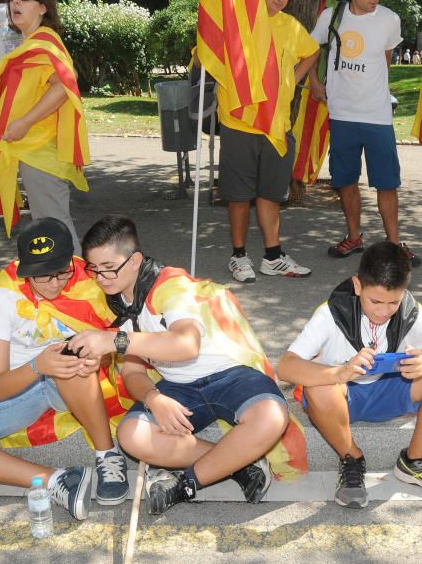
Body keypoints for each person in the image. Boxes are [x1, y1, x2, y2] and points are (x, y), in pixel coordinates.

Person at [70, 215, 293, 515]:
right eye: (93, 269)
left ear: (135, 260)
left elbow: (187, 345)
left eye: (109, 268)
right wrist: (154, 398)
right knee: (130, 436)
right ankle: (239, 463)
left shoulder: (170, 286)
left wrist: (115, 341)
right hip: (177, 386)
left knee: (272, 416)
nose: (100, 278)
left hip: (232, 374)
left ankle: (187, 484)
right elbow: (134, 371)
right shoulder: (116, 298)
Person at [0, 217, 129, 520]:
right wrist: (37, 365)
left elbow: (124, 329)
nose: (56, 283)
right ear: (24, 270)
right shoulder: (2, 294)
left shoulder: (88, 276)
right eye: (43, 276)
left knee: (69, 361)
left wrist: (102, 353)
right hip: (24, 383)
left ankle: (107, 455)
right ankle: (57, 480)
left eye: (62, 272)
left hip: (82, 378)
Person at [277, 241, 422, 506]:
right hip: (340, 402)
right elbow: (286, 366)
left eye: (393, 302)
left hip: (387, 392)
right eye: (375, 300)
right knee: (318, 386)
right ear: (357, 286)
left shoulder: (409, 310)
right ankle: (352, 459)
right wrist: (340, 371)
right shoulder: (331, 312)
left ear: (404, 292)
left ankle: (414, 461)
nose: (382, 311)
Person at [309, 0, 421, 266]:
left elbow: (385, 61)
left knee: (387, 183)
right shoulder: (331, 17)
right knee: (345, 179)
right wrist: (315, 82)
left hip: (377, 116)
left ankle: (395, 244)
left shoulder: (389, 20)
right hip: (342, 114)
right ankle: (354, 237)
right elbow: (309, 51)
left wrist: (377, 92)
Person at [217, 0, 319, 283]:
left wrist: (292, 77)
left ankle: (273, 257)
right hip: (240, 123)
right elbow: (207, 53)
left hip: (277, 126)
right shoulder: (237, 22)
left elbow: (312, 51)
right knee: (238, 195)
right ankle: (238, 256)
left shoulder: (290, 26)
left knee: (271, 193)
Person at [0, 0, 87, 249]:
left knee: (56, 228)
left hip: (42, 151)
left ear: (43, 7)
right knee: (51, 225)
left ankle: (80, 289)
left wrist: (26, 122)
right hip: (36, 150)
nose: (15, 1)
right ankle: (68, 284)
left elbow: (66, 83)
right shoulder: (36, 42)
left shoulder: (44, 42)